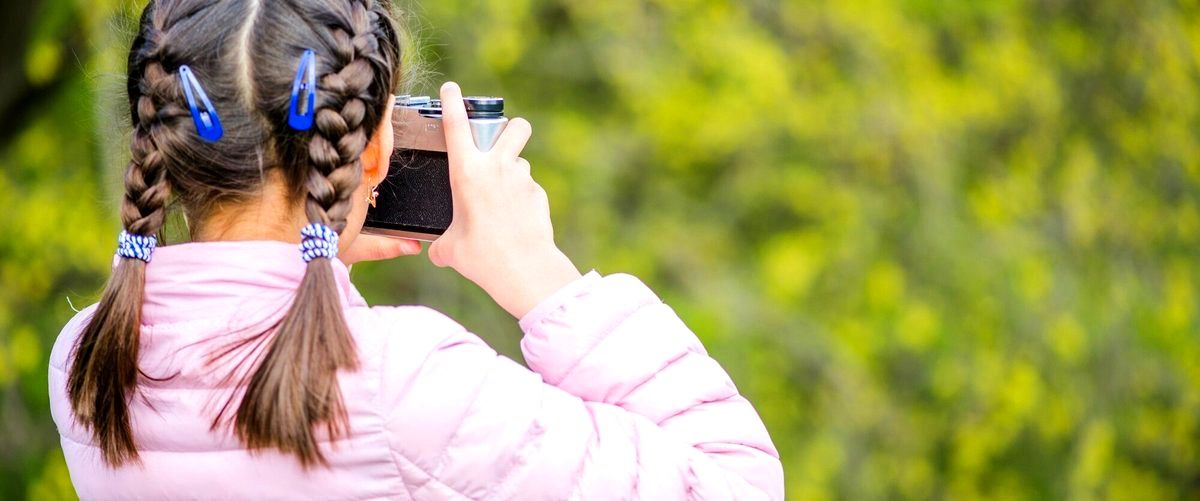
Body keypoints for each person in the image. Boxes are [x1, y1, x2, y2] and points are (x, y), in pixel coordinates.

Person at [47, 0, 784, 498]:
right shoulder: (403, 381)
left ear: (163, 151)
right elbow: (736, 481)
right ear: (373, 155)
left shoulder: (85, 363)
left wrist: (305, 257)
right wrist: (546, 282)